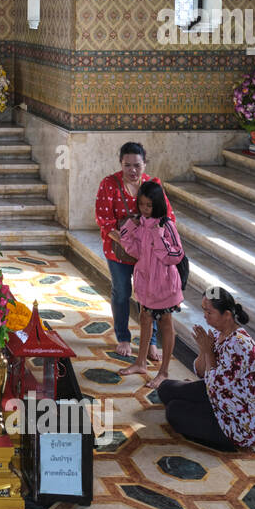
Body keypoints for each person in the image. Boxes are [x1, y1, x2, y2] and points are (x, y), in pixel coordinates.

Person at [157, 286, 255, 451]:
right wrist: (203, 350)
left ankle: (226, 442)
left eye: (210, 313)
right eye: (204, 311)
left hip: (240, 422)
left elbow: (216, 385)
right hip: (218, 396)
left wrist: (208, 351)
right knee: (165, 389)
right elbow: (202, 373)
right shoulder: (219, 333)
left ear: (227, 315)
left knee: (174, 411)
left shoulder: (240, 345)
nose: (205, 316)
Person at [94, 142, 175, 363]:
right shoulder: (109, 185)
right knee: (121, 291)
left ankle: (151, 341)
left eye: (137, 165)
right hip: (118, 250)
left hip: (150, 254)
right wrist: (128, 243)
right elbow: (104, 221)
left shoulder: (153, 184)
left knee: (150, 296)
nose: (132, 170)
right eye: (127, 165)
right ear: (120, 163)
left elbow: (168, 217)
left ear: (145, 163)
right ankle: (123, 337)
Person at [111, 182, 184, 385]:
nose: (144, 209)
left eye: (149, 205)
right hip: (146, 284)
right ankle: (140, 362)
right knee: (145, 319)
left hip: (164, 285)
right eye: (141, 204)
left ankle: (164, 372)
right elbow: (134, 251)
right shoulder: (140, 223)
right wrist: (130, 227)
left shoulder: (166, 225)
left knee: (166, 324)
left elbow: (175, 255)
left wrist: (157, 236)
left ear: (158, 204)